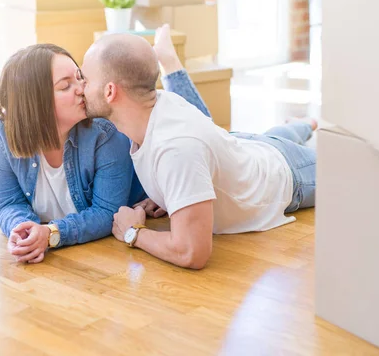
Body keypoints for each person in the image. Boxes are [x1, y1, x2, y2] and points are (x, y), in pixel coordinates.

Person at [79, 24, 317, 269]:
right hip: (243, 146)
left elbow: (192, 252)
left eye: (85, 80)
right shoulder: (148, 110)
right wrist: (167, 191)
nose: (79, 88)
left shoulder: (177, 149)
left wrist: (134, 232)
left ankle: (304, 126)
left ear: (110, 91)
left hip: (286, 173)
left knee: (351, 167)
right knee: (274, 135)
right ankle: (304, 124)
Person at [0, 41, 210, 263]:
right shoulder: (0, 137)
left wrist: (51, 234)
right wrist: (24, 231)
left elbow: (105, 212)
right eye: (65, 86)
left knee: (204, 130)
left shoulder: (104, 131)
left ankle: (171, 68)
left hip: (216, 154)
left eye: (80, 77)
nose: (82, 89)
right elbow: (8, 203)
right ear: (34, 102)